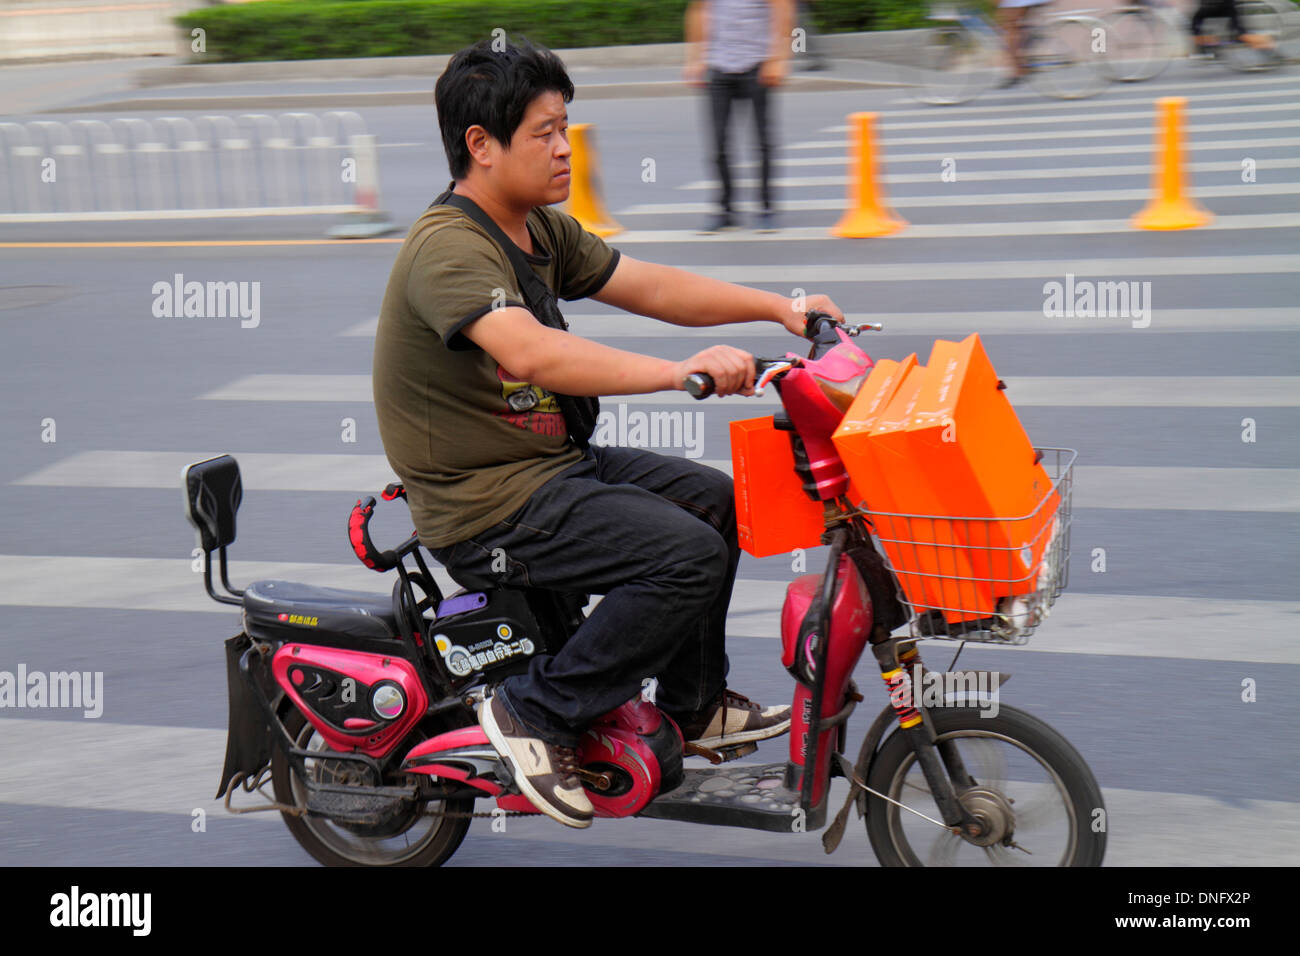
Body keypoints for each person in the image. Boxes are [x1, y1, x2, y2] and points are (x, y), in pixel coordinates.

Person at [372, 38, 846, 829]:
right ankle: (537, 712)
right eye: (544, 132)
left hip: (549, 467)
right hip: (486, 503)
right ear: (480, 147)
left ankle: (693, 709)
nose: (563, 148)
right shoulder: (448, 247)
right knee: (681, 556)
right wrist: (677, 373)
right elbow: (530, 349)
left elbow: (649, 286)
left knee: (716, 505)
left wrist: (779, 308)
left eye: (565, 126)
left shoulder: (538, 231)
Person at [684, 0, 794, 233]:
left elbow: (783, 11)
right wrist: (695, 58)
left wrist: (779, 59)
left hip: (758, 64)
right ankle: (725, 210)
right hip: (718, 66)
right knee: (718, 144)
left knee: (763, 143)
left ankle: (765, 209)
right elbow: (698, 10)